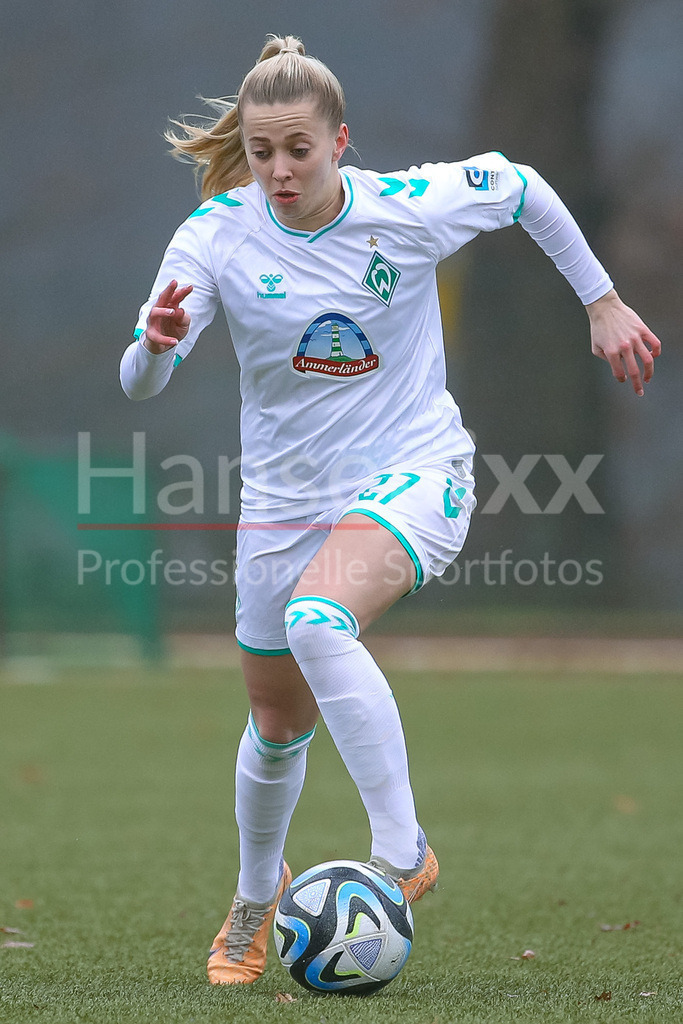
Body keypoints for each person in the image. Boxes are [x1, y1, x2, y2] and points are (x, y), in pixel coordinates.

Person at [120, 34, 661, 985]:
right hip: (282, 503)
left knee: (318, 621)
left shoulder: (403, 209)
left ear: (340, 141)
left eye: (299, 148)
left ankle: (403, 852)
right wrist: (156, 346)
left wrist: (602, 300)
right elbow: (140, 382)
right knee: (274, 724)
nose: (279, 169)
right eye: (261, 151)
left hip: (414, 471)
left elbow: (522, 184)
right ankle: (256, 896)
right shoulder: (216, 235)